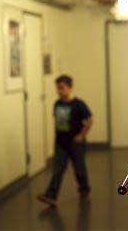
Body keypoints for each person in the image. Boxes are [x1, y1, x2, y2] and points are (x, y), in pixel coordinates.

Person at [37, 75, 93, 206]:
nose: (59, 91)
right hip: (61, 143)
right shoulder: (57, 103)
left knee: (79, 168)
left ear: (70, 87)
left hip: (76, 143)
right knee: (58, 169)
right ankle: (51, 195)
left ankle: (84, 190)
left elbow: (90, 120)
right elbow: (56, 120)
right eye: (57, 88)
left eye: (62, 88)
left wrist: (81, 135)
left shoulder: (78, 104)